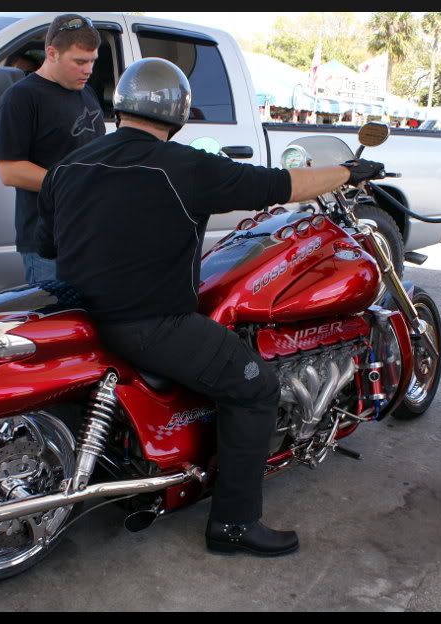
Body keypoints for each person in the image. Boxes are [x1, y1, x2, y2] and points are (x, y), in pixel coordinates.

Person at [36, 58, 386, 557]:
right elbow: (280, 184)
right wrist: (347, 173)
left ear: (120, 107)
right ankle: (234, 524)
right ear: (177, 114)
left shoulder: (69, 166)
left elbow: (47, 245)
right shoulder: (183, 166)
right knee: (256, 388)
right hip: (150, 324)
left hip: (78, 315)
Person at [0, 14, 106, 283]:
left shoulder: (86, 93)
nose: (88, 70)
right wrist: (72, 183)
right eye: (79, 62)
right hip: (47, 244)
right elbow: (9, 170)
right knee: (54, 311)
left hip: (89, 235)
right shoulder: (21, 97)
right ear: (52, 53)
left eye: (92, 61)